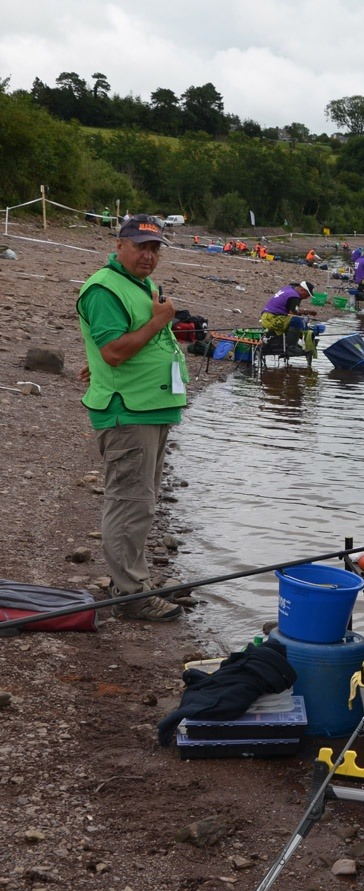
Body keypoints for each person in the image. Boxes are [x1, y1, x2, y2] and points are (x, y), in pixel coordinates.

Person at [75, 215, 188, 622]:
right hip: (128, 412)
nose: (148, 254)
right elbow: (114, 351)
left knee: (143, 502)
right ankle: (130, 596)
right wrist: (160, 321)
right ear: (119, 244)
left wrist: (100, 360)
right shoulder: (105, 288)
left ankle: (134, 583)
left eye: (155, 248)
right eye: (141, 245)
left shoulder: (142, 285)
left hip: (151, 407)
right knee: (129, 504)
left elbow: (109, 348)